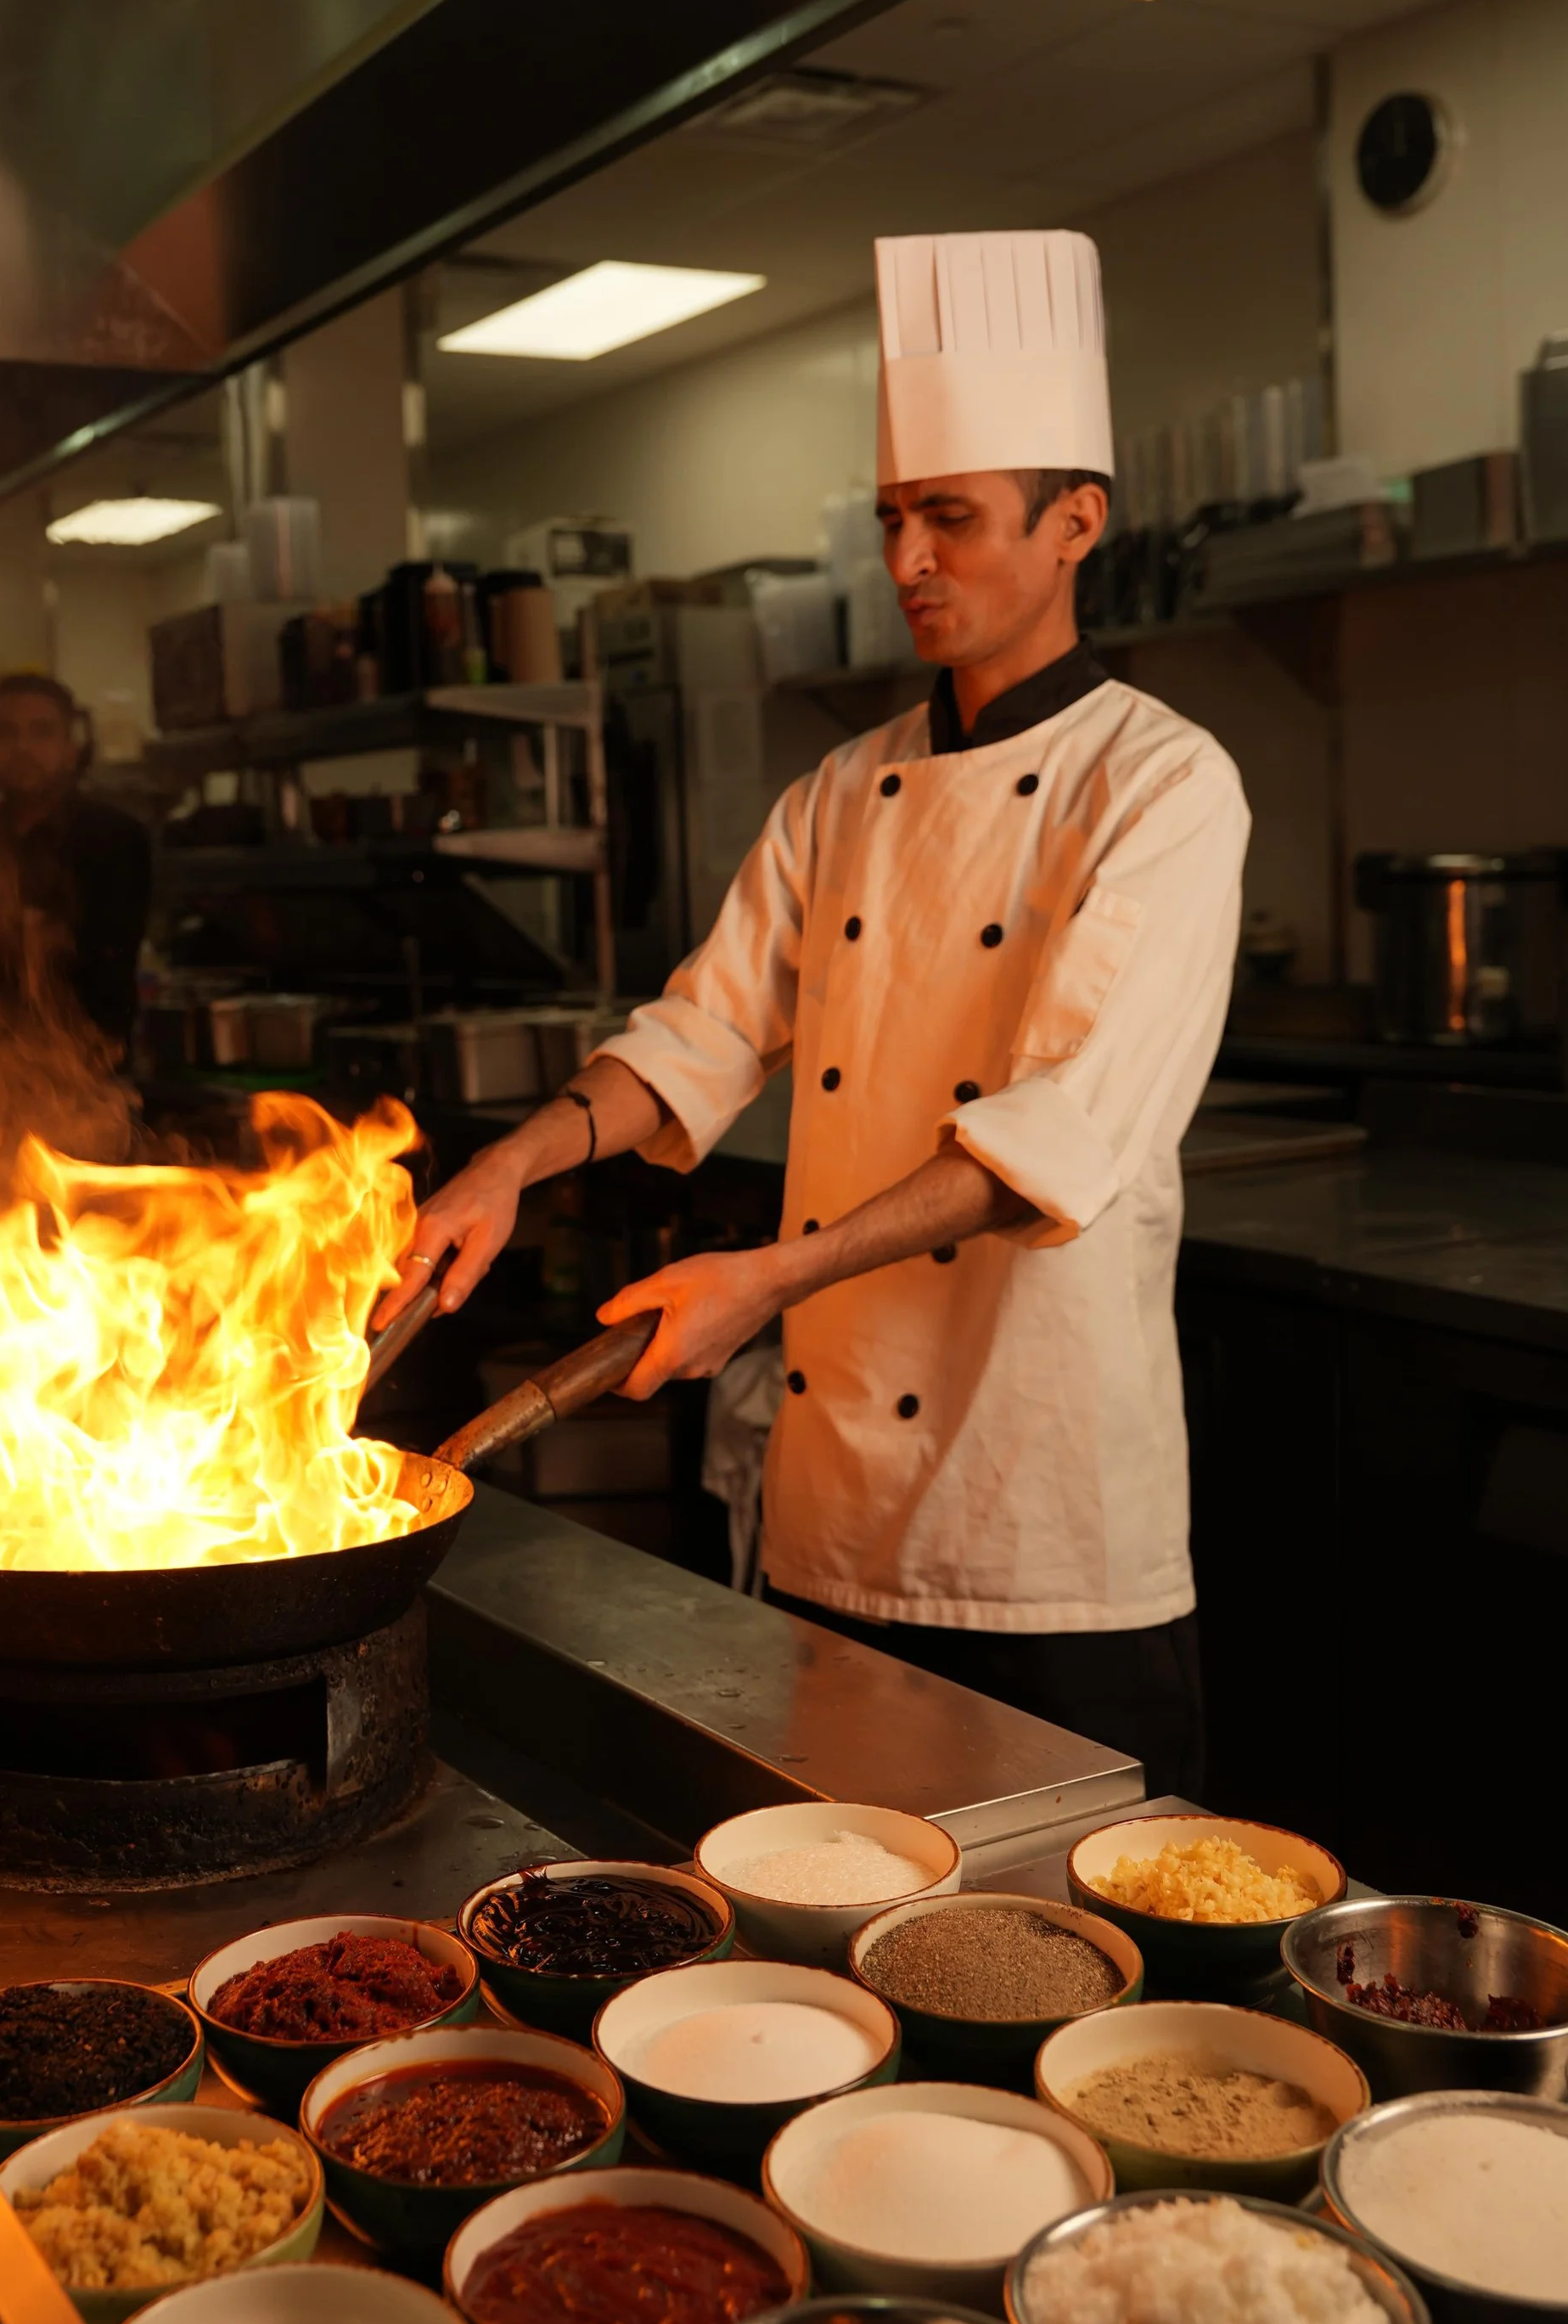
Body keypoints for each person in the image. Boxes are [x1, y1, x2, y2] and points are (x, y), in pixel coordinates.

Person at [382, 229, 1249, 1794]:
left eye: (953, 519)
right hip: (833, 1507)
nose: (909, 559)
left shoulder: (1165, 785)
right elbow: (701, 1036)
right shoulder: (843, 790)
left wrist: (760, 1280)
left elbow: (1053, 1135)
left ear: (1077, 523)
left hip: (1043, 1523)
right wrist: (509, 1169)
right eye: (895, 518)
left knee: (1066, 1973)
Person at [0, 672, 153, 1059]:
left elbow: (94, 952)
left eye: (41, 732)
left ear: (70, 749)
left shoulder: (115, 838)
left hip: (82, 1073)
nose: (22, 747)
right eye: (5, 733)